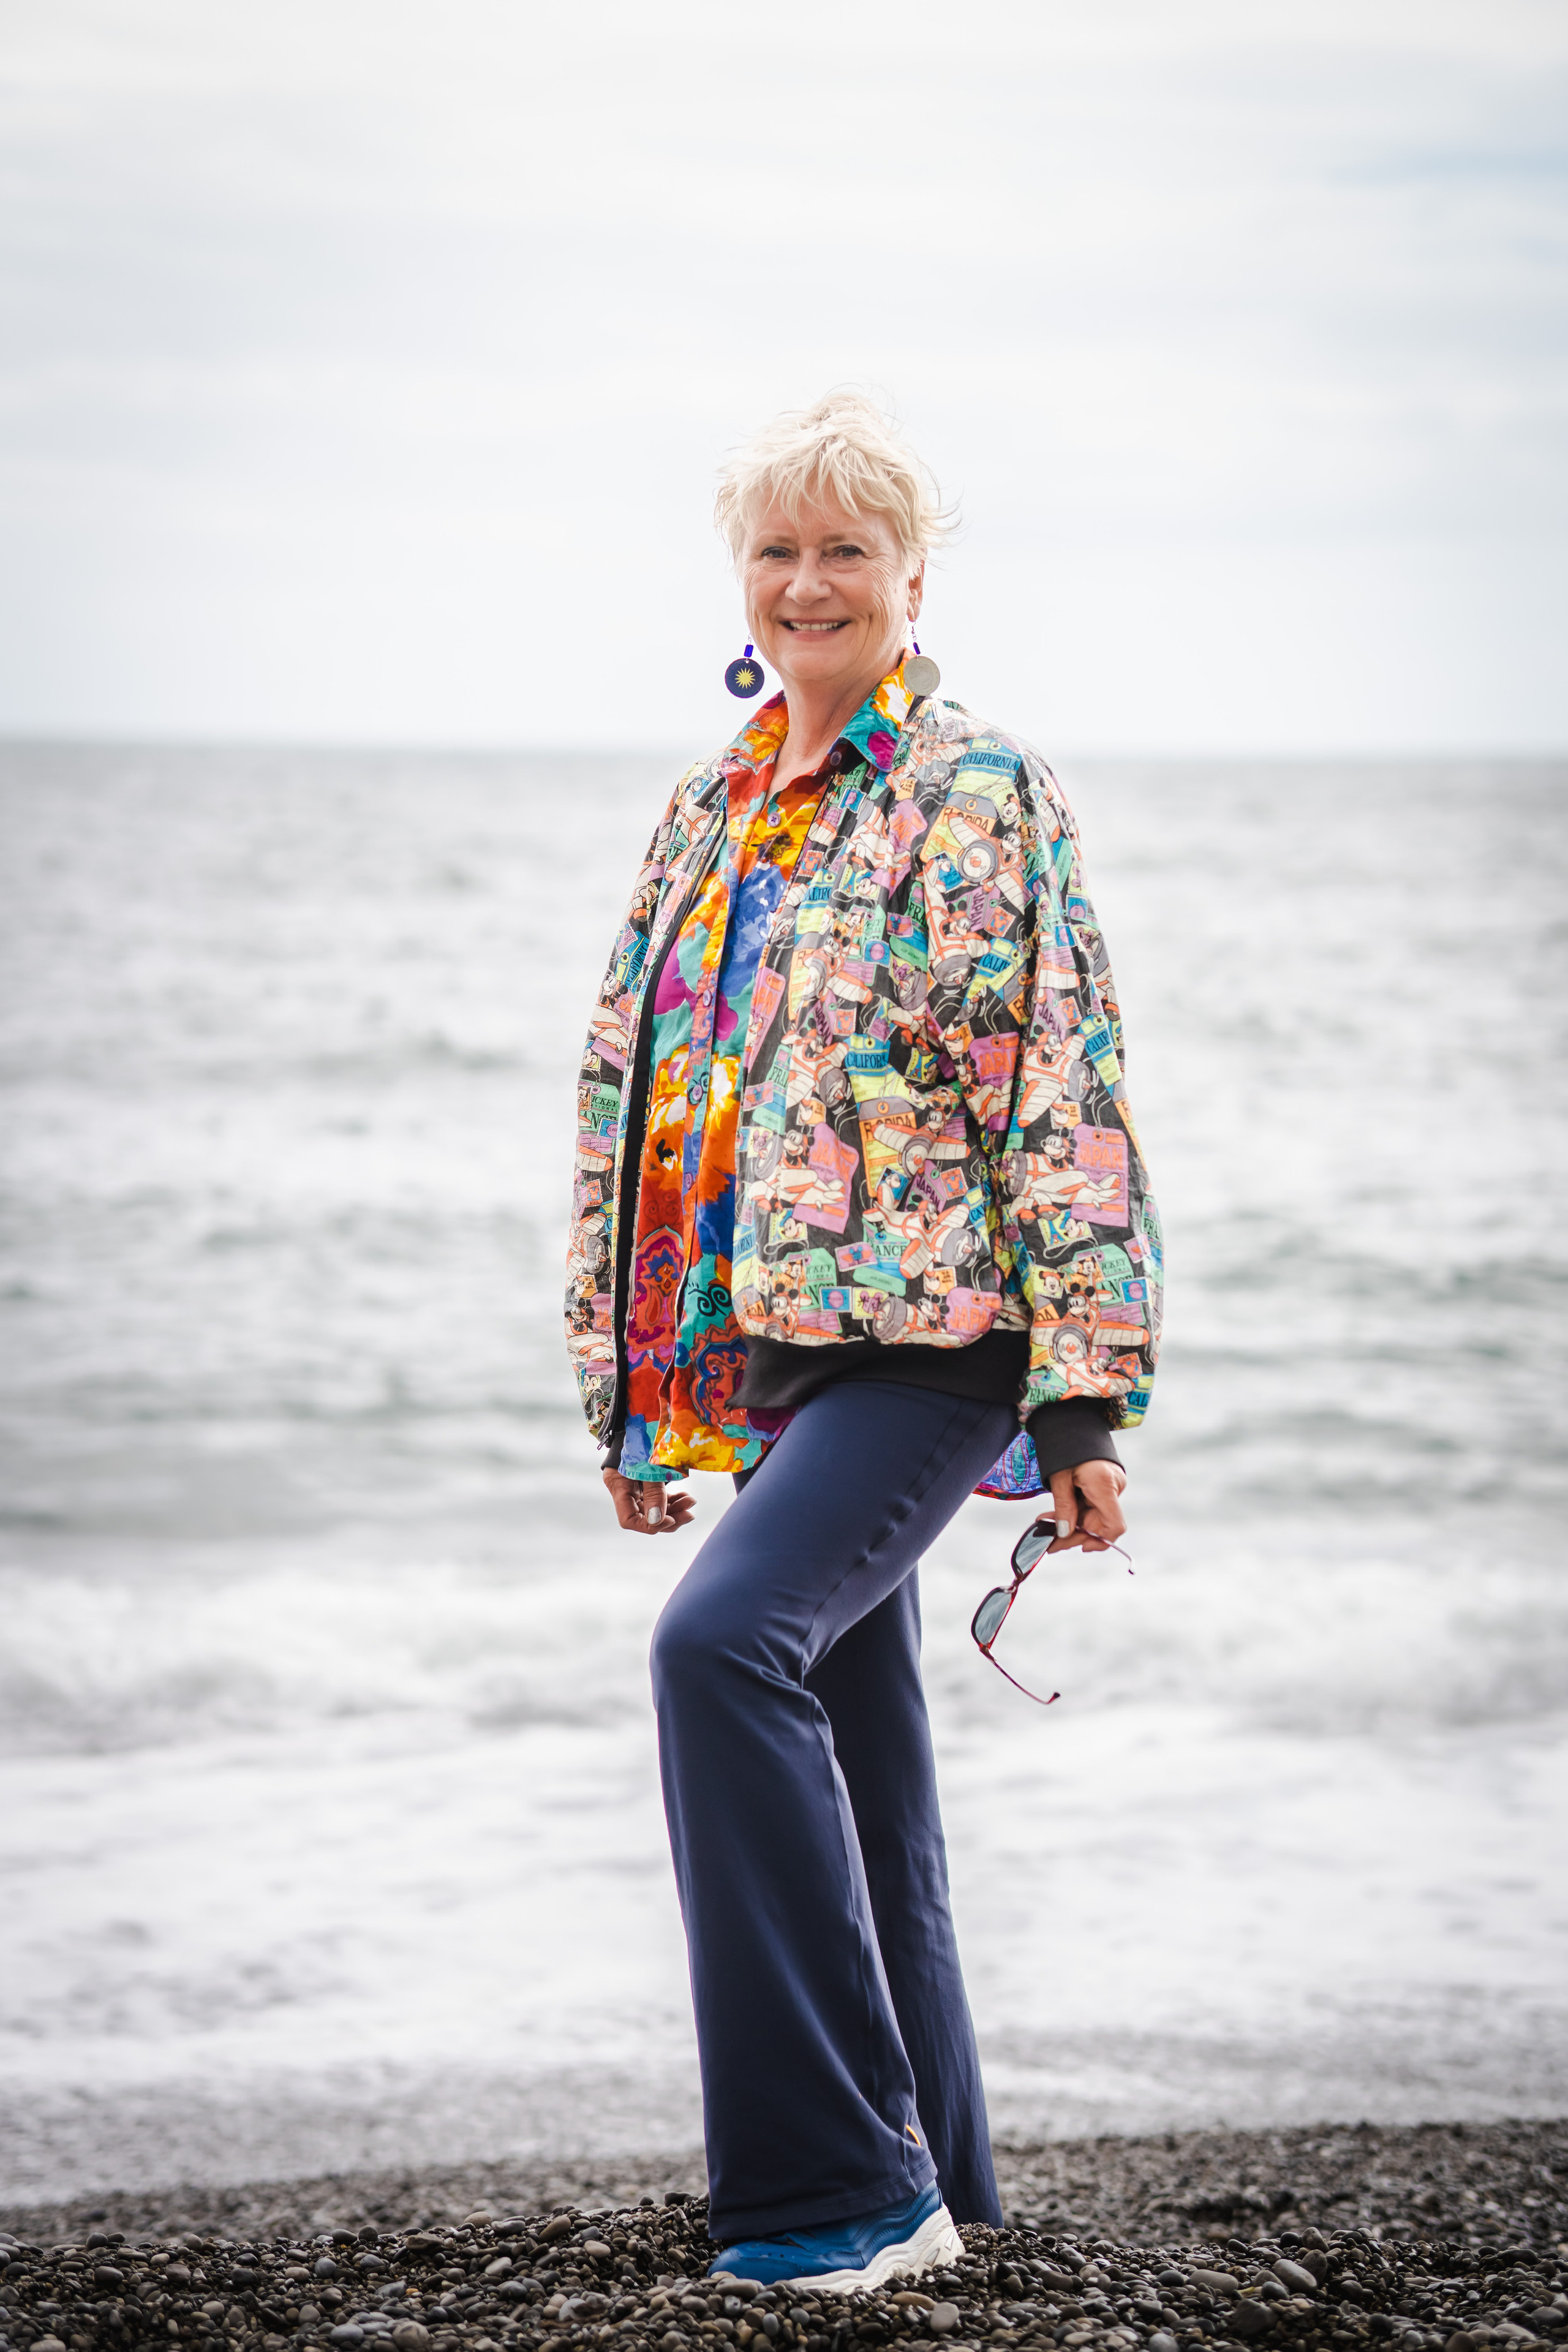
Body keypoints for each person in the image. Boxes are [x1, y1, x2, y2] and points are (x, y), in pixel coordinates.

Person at [564, 393, 1161, 2290]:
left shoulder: (977, 790)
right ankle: (949, 2180)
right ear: (742, 578)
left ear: (915, 577)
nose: (806, 581)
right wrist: (637, 1395)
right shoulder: (710, 804)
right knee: (855, 1735)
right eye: (777, 549)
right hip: (763, 1351)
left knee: (724, 1649)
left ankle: (839, 2189)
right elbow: (647, 1100)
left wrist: (1081, 1393)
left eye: (845, 550)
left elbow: (1061, 1087)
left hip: (939, 1336)